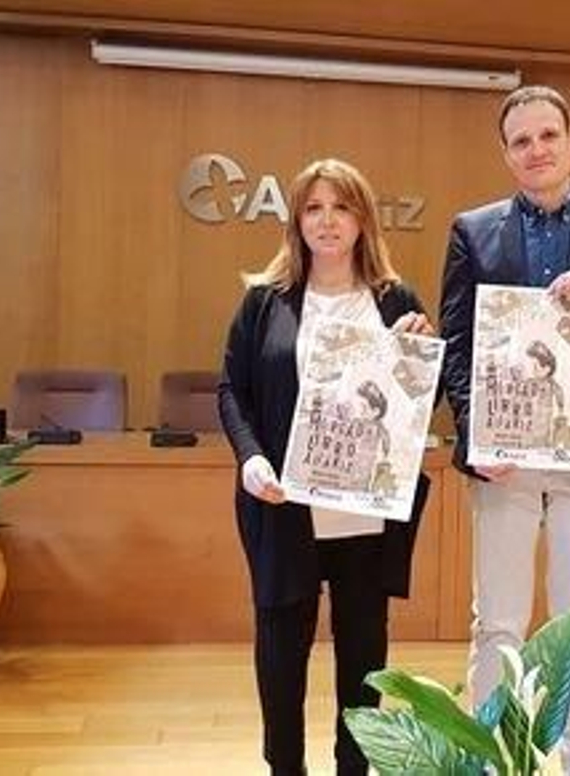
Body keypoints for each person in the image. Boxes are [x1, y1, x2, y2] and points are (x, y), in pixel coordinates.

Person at [439, 85, 570, 774]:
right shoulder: (471, 230)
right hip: (502, 459)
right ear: (506, 153)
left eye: (546, 136)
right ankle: (489, 762)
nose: (535, 150)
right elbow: (456, 342)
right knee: (496, 623)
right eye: (520, 141)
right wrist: (476, 435)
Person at [217, 158, 435, 776]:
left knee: (364, 659)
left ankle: (354, 769)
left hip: (365, 516)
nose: (327, 220)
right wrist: (251, 458)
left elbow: (418, 406)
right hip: (285, 509)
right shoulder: (265, 301)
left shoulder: (397, 302)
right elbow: (232, 389)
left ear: (363, 219)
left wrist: (420, 357)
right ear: (296, 220)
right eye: (313, 208)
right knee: (281, 658)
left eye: (340, 207)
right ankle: (284, 768)